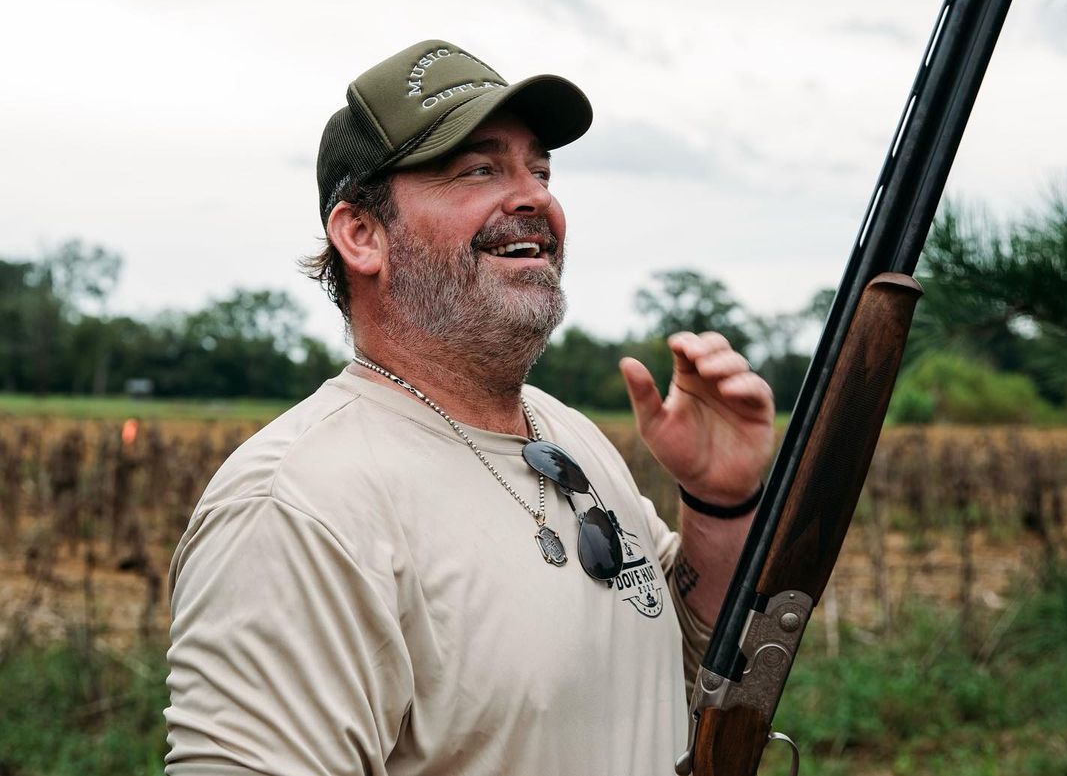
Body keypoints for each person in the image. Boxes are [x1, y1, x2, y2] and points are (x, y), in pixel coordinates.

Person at [164, 40, 775, 776]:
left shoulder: (569, 435)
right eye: (479, 169)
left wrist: (718, 501)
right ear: (361, 234)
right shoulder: (297, 506)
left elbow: (684, 668)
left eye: (540, 171)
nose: (534, 197)